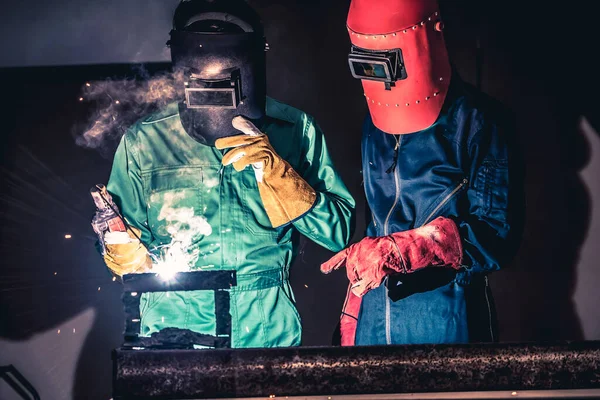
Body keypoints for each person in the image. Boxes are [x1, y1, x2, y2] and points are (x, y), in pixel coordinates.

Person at [93, 0, 355, 349]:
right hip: (175, 324)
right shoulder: (146, 140)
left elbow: (339, 235)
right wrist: (121, 247)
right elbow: (130, 256)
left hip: (264, 324)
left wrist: (283, 179)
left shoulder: (293, 129)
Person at [322, 0, 524, 346]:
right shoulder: (375, 125)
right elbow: (376, 224)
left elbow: (496, 235)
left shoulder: (479, 122)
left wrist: (406, 249)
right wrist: (353, 313)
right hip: (375, 314)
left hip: (445, 314)